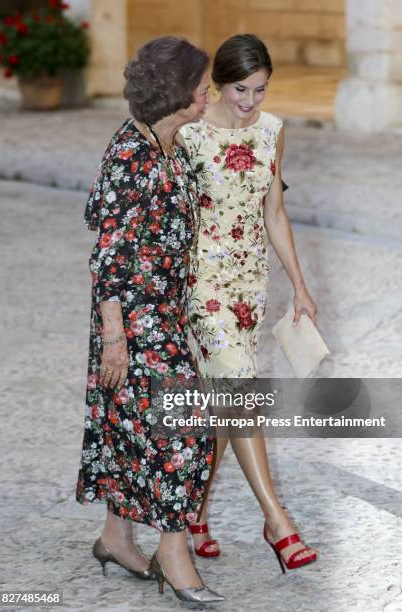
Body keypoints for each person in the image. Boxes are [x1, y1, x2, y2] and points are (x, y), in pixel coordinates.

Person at [76, 36, 225, 603]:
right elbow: (107, 255)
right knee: (186, 430)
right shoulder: (129, 156)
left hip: (162, 312)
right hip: (133, 322)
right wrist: (116, 340)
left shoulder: (173, 144)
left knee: (128, 428)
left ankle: (117, 537)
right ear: (179, 95)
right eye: (203, 86)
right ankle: (172, 547)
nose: (207, 94)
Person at [180, 33, 318, 571]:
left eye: (260, 89)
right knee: (239, 387)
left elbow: (275, 213)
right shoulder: (189, 131)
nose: (250, 100)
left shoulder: (272, 132)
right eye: (241, 88)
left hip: (247, 287)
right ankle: (277, 523)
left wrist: (300, 288)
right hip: (200, 283)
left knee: (226, 395)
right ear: (218, 83)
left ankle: (193, 511)